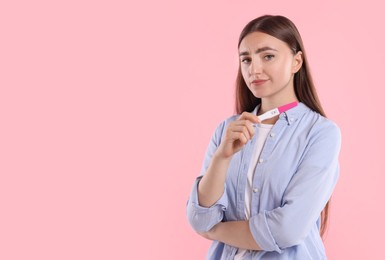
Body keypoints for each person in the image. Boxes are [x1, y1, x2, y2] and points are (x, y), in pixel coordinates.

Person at [186, 15, 341, 259]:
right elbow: (199, 217)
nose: (253, 69)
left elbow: (288, 229)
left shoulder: (321, 133)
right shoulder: (227, 130)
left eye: (267, 56)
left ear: (296, 61)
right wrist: (221, 159)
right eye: (246, 59)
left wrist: (213, 230)